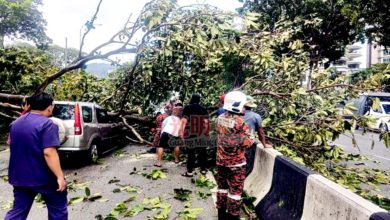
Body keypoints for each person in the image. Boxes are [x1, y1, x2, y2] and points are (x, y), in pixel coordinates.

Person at [5, 92, 68, 220]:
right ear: (49, 107)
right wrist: (60, 177)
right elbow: (49, 152)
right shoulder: (48, 124)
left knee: (17, 212)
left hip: (19, 178)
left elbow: (11, 144)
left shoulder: (15, 124)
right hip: (43, 179)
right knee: (58, 210)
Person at [215, 91, 254, 220]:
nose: (244, 108)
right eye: (243, 105)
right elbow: (247, 143)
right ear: (236, 105)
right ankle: (233, 216)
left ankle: (221, 214)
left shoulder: (219, 118)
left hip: (221, 161)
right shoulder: (240, 122)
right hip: (236, 164)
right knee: (235, 193)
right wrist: (251, 137)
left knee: (222, 188)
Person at [180, 93, 209, 177]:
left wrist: (181, 133)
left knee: (191, 153)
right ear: (199, 100)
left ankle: (189, 172)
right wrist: (206, 133)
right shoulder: (203, 109)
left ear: (191, 99)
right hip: (201, 133)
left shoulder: (188, 108)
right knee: (202, 152)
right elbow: (206, 122)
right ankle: (203, 170)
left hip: (190, 133)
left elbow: (184, 121)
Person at [243, 96, 272, 176]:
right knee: (245, 164)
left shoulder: (235, 114)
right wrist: (264, 144)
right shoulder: (256, 116)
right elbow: (261, 132)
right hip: (247, 144)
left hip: (234, 142)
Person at [155, 102, 183, 167]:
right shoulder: (180, 120)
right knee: (176, 146)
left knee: (161, 146)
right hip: (175, 134)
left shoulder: (167, 118)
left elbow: (163, 127)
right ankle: (176, 160)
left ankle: (159, 162)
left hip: (166, 132)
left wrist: (161, 135)